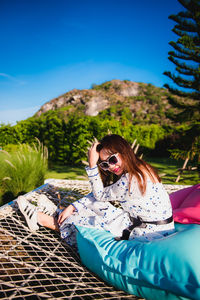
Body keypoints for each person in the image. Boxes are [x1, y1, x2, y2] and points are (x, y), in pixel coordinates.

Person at [17, 134, 175, 248]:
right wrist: (73, 206)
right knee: (100, 207)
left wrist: (93, 164)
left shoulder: (131, 180)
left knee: (92, 221)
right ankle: (58, 213)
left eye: (112, 159)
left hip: (149, 236)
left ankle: (43, 219)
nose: (111, 167)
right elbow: (101, 197)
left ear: (124, 151)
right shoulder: (142, 167)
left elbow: (100, 194)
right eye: (105, 165)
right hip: (154, 227)